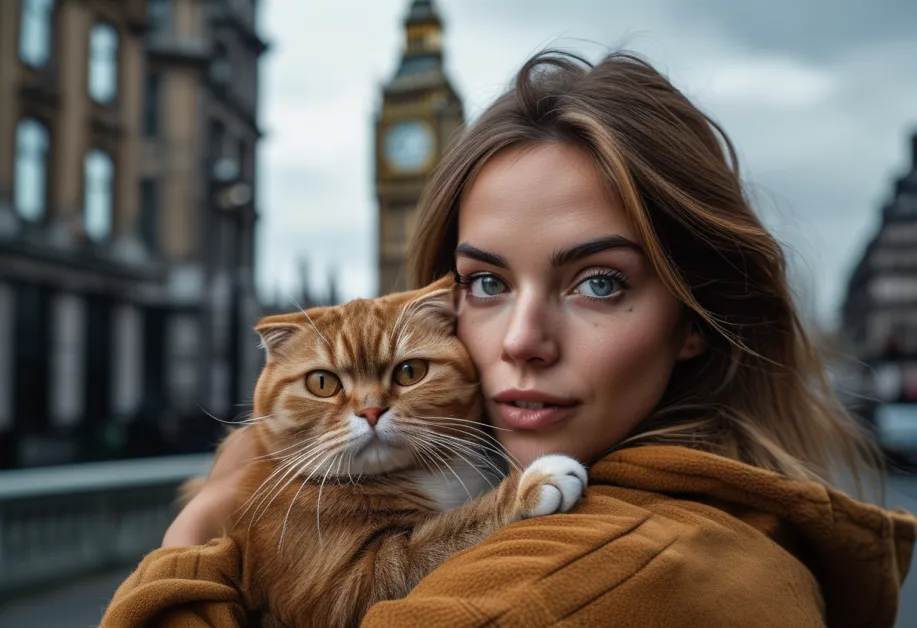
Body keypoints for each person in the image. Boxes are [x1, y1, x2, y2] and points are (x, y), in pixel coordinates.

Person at [101, 50, 916, 628]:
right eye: (486, 284)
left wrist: (192, 540)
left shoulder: (567, 585)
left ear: (695, 322)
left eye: (598, 283)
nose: (522, 339)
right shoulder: (736, 518)